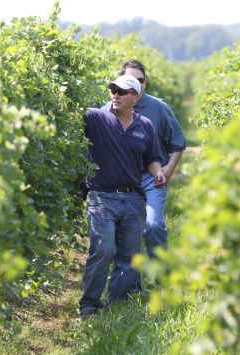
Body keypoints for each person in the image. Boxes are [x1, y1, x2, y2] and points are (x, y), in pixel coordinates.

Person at [79, 74, 166, 319]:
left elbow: (152, 158)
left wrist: (158, 173)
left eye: (122, 91)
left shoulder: (145, 125)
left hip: (133, 199)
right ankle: (89, 306)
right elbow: (66, 114)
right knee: (103, 249)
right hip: (101, 196)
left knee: (129, 257)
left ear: (135, 97)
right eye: (113, 89)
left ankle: (116, 305)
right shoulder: (95, 118)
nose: (115, 94)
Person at [104, 60, 186, 263]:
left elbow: (177, 142)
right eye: (128, 82)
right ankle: (126, 279)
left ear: (145, 83)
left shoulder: (158, 108)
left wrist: (168, 170)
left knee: (154, 225)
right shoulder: (108, 110)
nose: (135, 86)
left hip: (151, 178)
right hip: (121, 180)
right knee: (120, 230)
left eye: (139, 81)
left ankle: (159, 275)